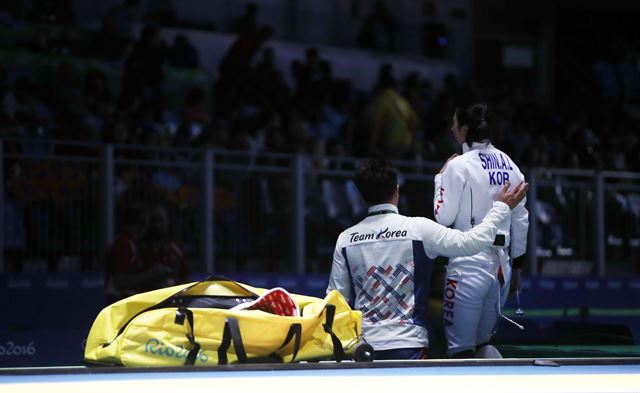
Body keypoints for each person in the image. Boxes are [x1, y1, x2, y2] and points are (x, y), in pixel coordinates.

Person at [327, 158, 528, 360]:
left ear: (363, 197)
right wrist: (500, 208)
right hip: (409, 347)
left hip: (364, 349)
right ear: (397, 191)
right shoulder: (418, 229)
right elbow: (470, 242)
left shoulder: (346, 239)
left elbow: (335, 301)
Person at [433, 103, 529, 358]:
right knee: (482, 345)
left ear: (464, 129)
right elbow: (521, 220)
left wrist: (439, 178)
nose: (452, 128)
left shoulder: (458, 166)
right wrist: (517, 266)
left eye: (455, 124)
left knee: (460, 352)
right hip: (501, 269)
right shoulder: (510, 165)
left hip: (467, 266)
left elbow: (443, 217)